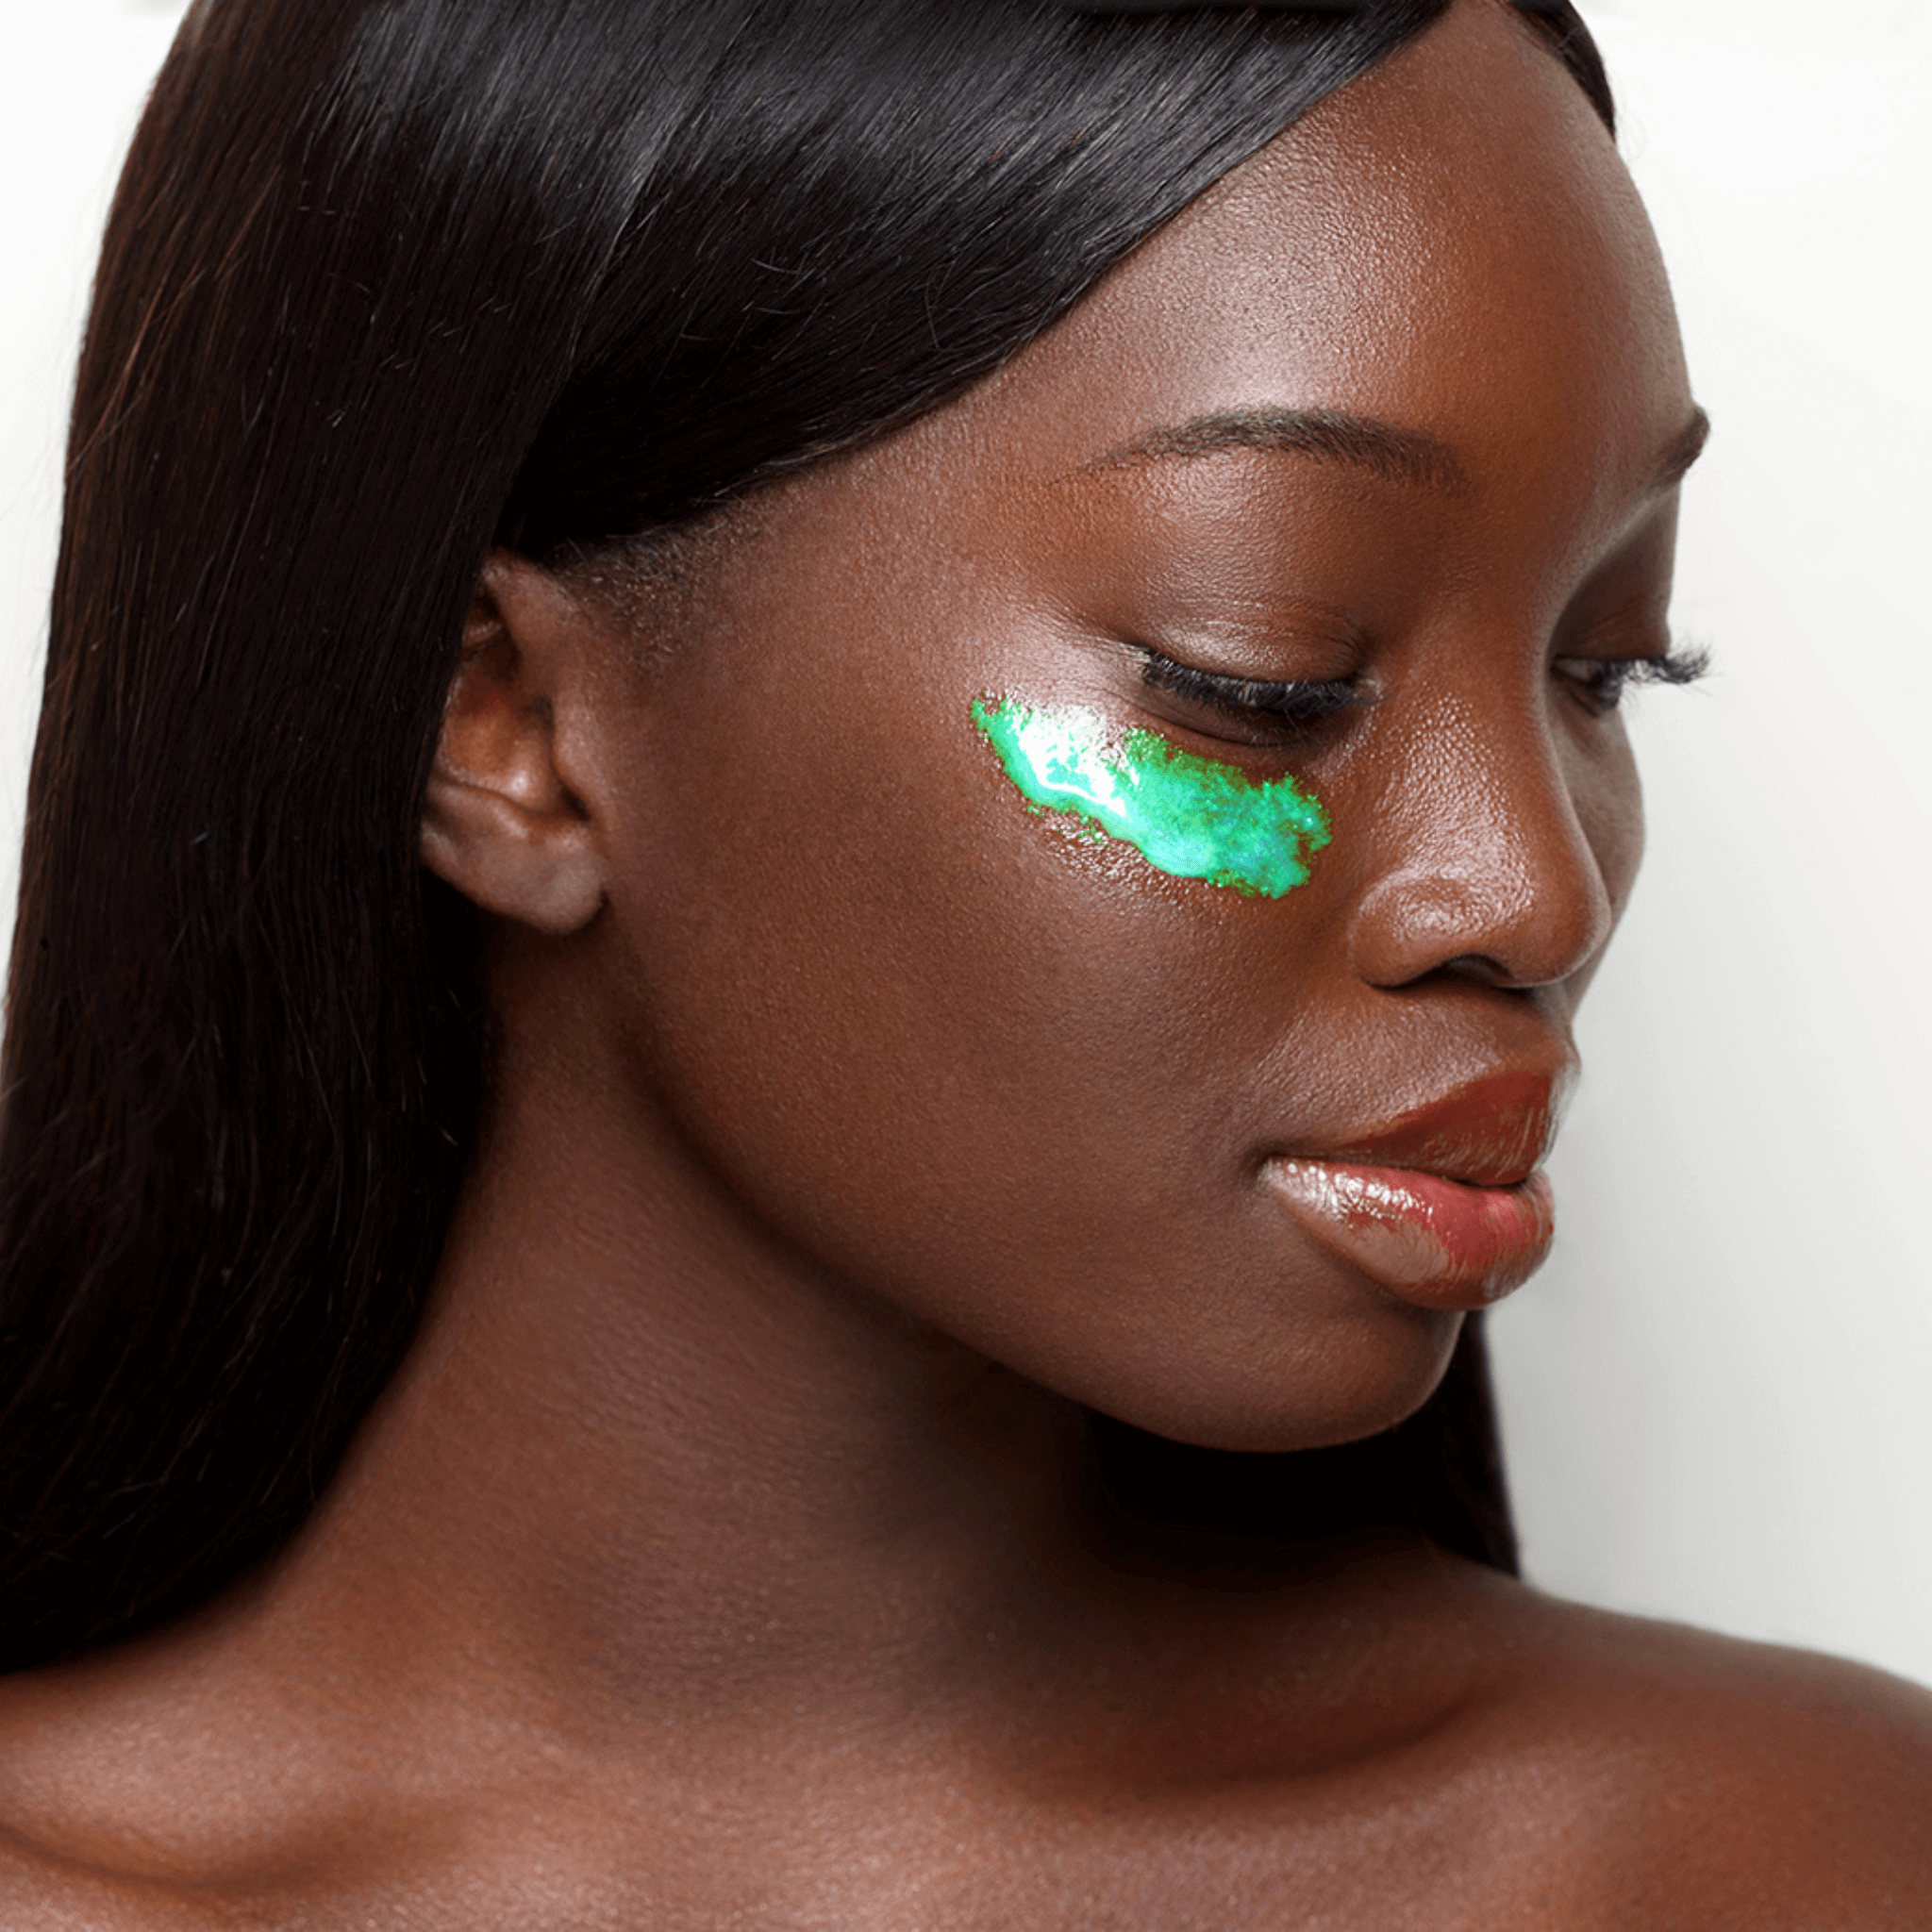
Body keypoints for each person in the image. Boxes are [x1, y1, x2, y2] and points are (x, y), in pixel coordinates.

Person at [0, 0, 1926, 1921]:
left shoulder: (1794, 1863)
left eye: (1608, 663)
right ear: (499, 721)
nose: (1537, 890)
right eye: (1256, 676)